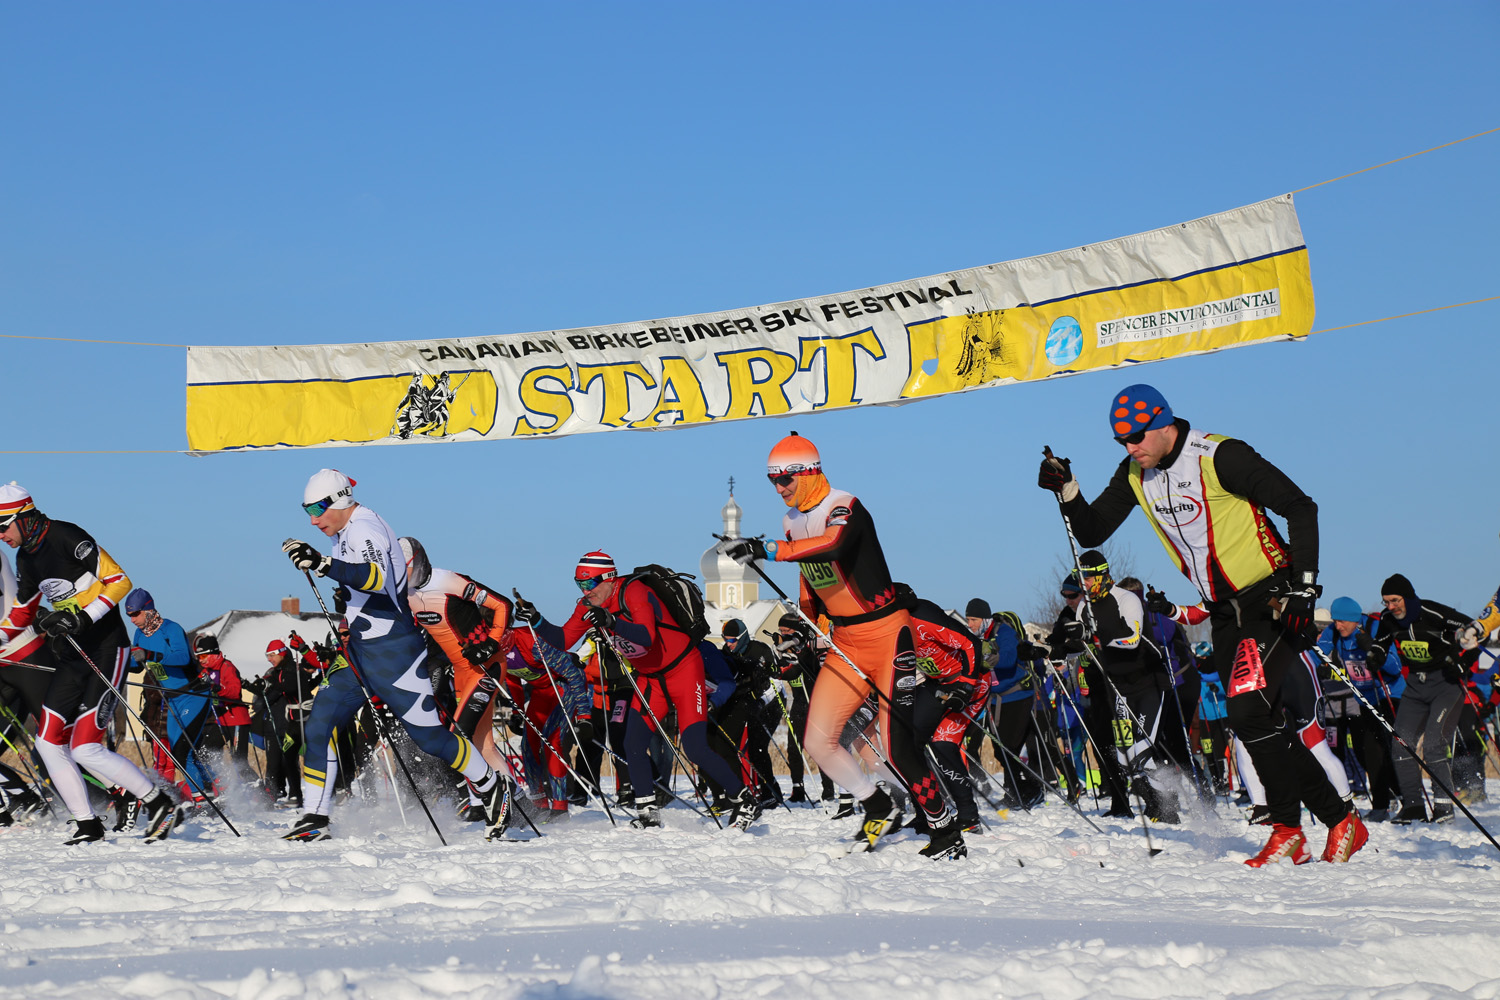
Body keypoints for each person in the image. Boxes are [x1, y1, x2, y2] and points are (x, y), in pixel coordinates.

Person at [1038, 384, 1364, 865]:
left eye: (1136, 436)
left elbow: (1301, 506)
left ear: (1165, 423)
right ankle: (1322, 824)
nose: (1130, 448)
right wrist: (1067, 489)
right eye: (1120, 441)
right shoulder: (1134, 472)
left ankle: (1305, 824)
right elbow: (1091, 530)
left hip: (1268, 600)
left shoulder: (1219, 456)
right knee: (1255, 722)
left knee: (1249, 713)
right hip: (1223, 612)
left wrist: (1304, 586)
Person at [722, 432, 962, 857]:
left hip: (888, 635)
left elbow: (832, 546)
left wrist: (768, 549)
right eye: (772, 480)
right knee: (818, 740)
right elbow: (810, 574)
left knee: (897, 744)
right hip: (846, 642)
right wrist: (804, 623)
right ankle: (877, 803)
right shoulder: (791, 521)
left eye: (786, 479)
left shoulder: (844, 505)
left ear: (810, 472)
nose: (779, 489)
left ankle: (947, 831)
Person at [280, 469, 510, 841]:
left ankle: (489, 782)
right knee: (321, 718)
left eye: (319, 508)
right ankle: (315, 815)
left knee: (432, 739)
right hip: (360, 649)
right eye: (306, 509)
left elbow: (372, 577)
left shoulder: (364, 527)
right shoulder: (343, 533)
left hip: (393, 652)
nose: (313, 519)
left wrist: (323, 565)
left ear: (340, 499)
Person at [520, 551, 760, 831]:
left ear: (609, 578)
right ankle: (647, 811)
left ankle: (744, 800)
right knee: (632, 743)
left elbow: (646, 635)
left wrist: (611, 622)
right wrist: (536, 620)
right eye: (579, 584)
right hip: (650, 679)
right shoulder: (588, 604)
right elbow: (563, 639)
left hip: (683, 669)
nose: (586, 591)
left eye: (590, 583)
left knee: (695, 746)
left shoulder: (634, 591)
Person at [0, 484, 179, 844]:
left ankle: (160, 802)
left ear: (22, 517)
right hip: (71, 655)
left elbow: (119, 580)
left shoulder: (67, 535)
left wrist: (83, 617)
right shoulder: (26, 558)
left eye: (2, 527)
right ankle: (87, 823)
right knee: (48, 741)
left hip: (107, 650)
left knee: (85, 747)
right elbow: (23, 610)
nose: (1, 536)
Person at [1367, 574, 1470, 823]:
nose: (1391, 607)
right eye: (1386, 602)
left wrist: (1462, 660)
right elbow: (1381, 642)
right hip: (1415, 686)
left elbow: (1474, 631)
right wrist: (1375, 656)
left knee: (1434, 744)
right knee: (1401, 743)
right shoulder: (1388, 619)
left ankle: (1444, 806)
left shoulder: (1434, 612)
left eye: (1395, 600)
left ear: (1408, 596)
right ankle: (1413, 806)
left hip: (1445, 685)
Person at [126, 588, 217, 802]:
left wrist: (150, 654)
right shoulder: (140, 634)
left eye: (135, 614)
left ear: (148, 610)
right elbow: (137, 665)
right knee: (179, 753)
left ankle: (200, 798)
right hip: (173, 699)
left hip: (194, 695)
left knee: (182, 751)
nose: (132, 620)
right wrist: (116, 663)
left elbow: (182, 658)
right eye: (129, 615)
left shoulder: (171, 629)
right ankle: (211, 788)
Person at [1317, 597, 1402, 820]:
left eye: (1343, 621)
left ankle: (1387, 802)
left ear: (1355, 620)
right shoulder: (1334, 633)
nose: (1338, 625)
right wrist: (1324, 664)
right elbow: (1322, 648)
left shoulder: (1374, 628)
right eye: (1335, 621)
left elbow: (1395, 668)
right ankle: (1392, 795)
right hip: (1363, 700)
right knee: (1365, 753)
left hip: (1388, 696)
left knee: (1381, 751)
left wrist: (1374, 651)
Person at [714, 619, 782, 808]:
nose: (729, 644)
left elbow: (776, 682)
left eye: (732, 640)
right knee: (727, 745)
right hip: (746, 701)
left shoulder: (761, 650)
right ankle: (734, 792)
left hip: (771, 702)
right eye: (725, 639)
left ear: (742, 637)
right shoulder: (727, 653)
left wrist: (760, 702)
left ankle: (770, 792)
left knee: (757, 747)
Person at [193, 633, 254, 785]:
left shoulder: (227, 667)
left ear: (213, 654)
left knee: (239, 761)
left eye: (203, 656)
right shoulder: (205, 672)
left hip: (237, 720)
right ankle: (219, 785)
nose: (201, 660)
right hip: (220, 720)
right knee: (205, 753)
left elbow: (234, 691)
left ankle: (261, 792)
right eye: (199, 658)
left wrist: (215, 687)